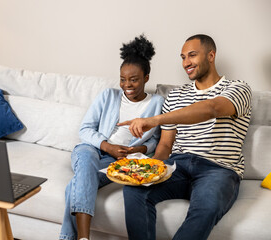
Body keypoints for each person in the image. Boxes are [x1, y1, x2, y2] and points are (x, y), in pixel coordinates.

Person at [119, 34, 252, 240]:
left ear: (211, 55)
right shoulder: (176, 95)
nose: (186, 63)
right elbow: (165, 144)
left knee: (206, 208)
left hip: (218, 169)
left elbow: (211, 108)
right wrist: (151, 170)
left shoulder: (238, 88)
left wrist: (153, 120)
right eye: (182, 57)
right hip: (178, 165)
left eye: (192, 55)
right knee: (135, 189)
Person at [59, 35, 165, 240]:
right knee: (87, 159)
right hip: (92, 148)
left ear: (146, 77)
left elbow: (157, 139)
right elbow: (86, 129)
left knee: (74, 186)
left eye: (134, 79)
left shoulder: (157, 103)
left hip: (121, 159)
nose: (127, 85)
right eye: (123, 79)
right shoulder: (108, 95)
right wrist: (108, 146)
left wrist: (138, 150)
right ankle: (83, 237)